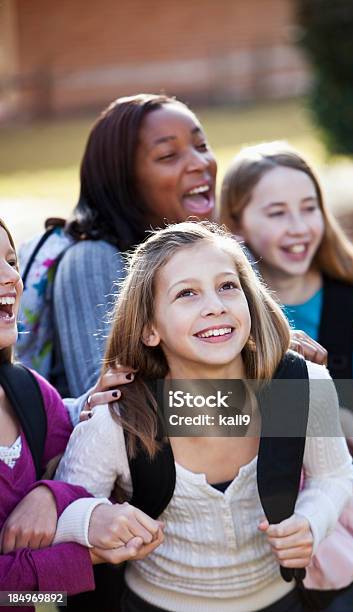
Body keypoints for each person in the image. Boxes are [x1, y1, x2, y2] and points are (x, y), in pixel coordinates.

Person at [55, 221, 353, 612]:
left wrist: (312, 521)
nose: (215, 305)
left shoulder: (304, 384)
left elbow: (334, 474)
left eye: (228, 286)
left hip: (282, 600)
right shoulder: (117, 418)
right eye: (187, 293)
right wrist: (93, 518)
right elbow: (64, 512)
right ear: (149, 329)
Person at [17, 94, 326, 424]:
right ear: (124, 180)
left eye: (202, 146)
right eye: (167, 155)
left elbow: (270, 373)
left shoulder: (230, 253)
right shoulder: (91, 260)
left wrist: (339, 422)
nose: (199, 163)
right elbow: (112, 404)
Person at [219, 141, 353, 611]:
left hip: (337, 518)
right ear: (236, 225)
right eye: (277, 213)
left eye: (309, 208)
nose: (299, 226)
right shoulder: (224, 314)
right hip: (251, 530)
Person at [0, 217, 164, 606]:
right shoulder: (89, 259)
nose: (9, 278)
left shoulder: (30, 394)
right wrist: (87, 551)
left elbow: (72, 466)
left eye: (10, 261)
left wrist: (48, 494)